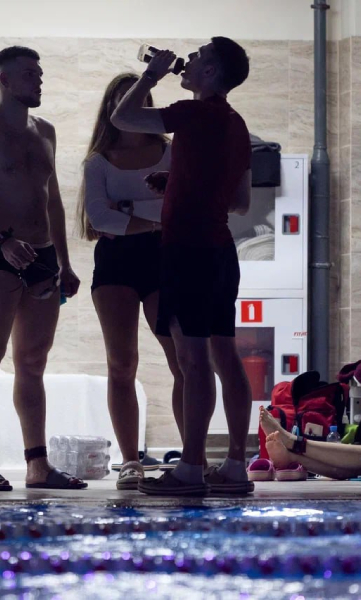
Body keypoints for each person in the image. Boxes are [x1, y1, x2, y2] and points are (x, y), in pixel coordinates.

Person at [110, 37, 254, 496]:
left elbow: (123, 118)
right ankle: (235, 465)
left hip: (188, 250)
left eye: (196, 57)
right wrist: (179, 181)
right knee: (224, 356)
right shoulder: (237, 125)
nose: (186, 62)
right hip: (221, 251)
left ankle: (191, 468)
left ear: (210, 72)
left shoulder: (193, 113)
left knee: (193, 361)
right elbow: (239, 201)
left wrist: (152, 74)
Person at [0, 46, 85, 492]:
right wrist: (4, 240)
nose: (39, 81)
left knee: (32, 362)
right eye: (30, 74)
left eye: (40, 74)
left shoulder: (45, 131)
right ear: (4, 80)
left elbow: (53, 200)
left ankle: (37, 465)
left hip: (43, 257)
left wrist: (64, 261)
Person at [77, 73, 183, 490]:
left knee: (182, 360)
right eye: (121, 101)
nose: (129, 108)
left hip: (165, 258)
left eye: (138, 100)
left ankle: (191, 457)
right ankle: (130, 461)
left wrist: (125, 210)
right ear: (110, 109)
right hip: (116, 264)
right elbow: (98, 218)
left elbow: (180, 205)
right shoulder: (98, 161)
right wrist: (153, 215)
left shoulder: (171, 151)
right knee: (121, 364)